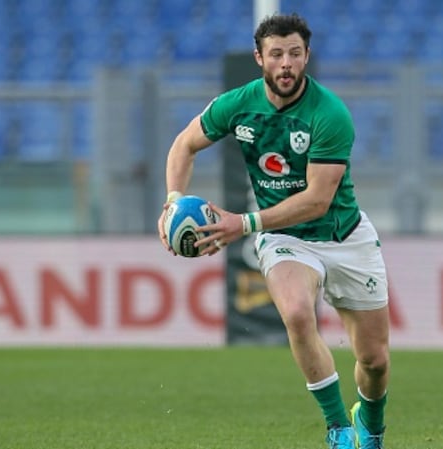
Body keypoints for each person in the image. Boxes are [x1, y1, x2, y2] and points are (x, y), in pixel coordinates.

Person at [156, 12, 390, 449]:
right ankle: (339, 430)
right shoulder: (237, 104)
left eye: (295, 54)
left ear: (307, 57)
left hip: (344, 235)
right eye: (277, 54)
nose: (286, 64)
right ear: (259, 57)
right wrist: (172, 201)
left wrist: (241, 223)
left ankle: (371, 426)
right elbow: (184, 144)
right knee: (298, 315)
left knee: (374, 362)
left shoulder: (330, 113)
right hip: (285, 237)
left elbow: (318, 199)